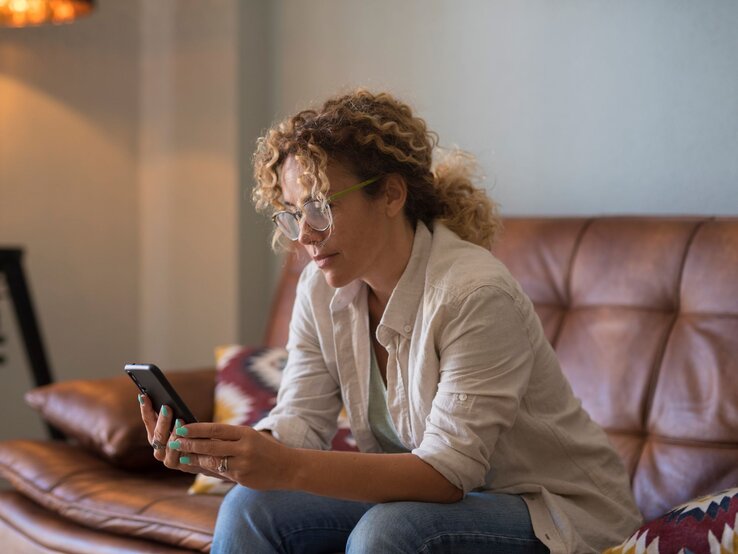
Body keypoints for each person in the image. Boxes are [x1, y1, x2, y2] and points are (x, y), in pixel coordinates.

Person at [139, 89, 642, 553]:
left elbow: (448, 474)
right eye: (293, 213)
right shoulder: (321, 287)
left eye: (320, 207)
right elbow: (300, 424)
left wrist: (285, 467)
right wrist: (225, 454)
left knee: (389, 531)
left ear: (391, 195)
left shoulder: (475, 294)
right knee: (251, 508)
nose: (306, 236)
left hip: (548, 511)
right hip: (436, 503)